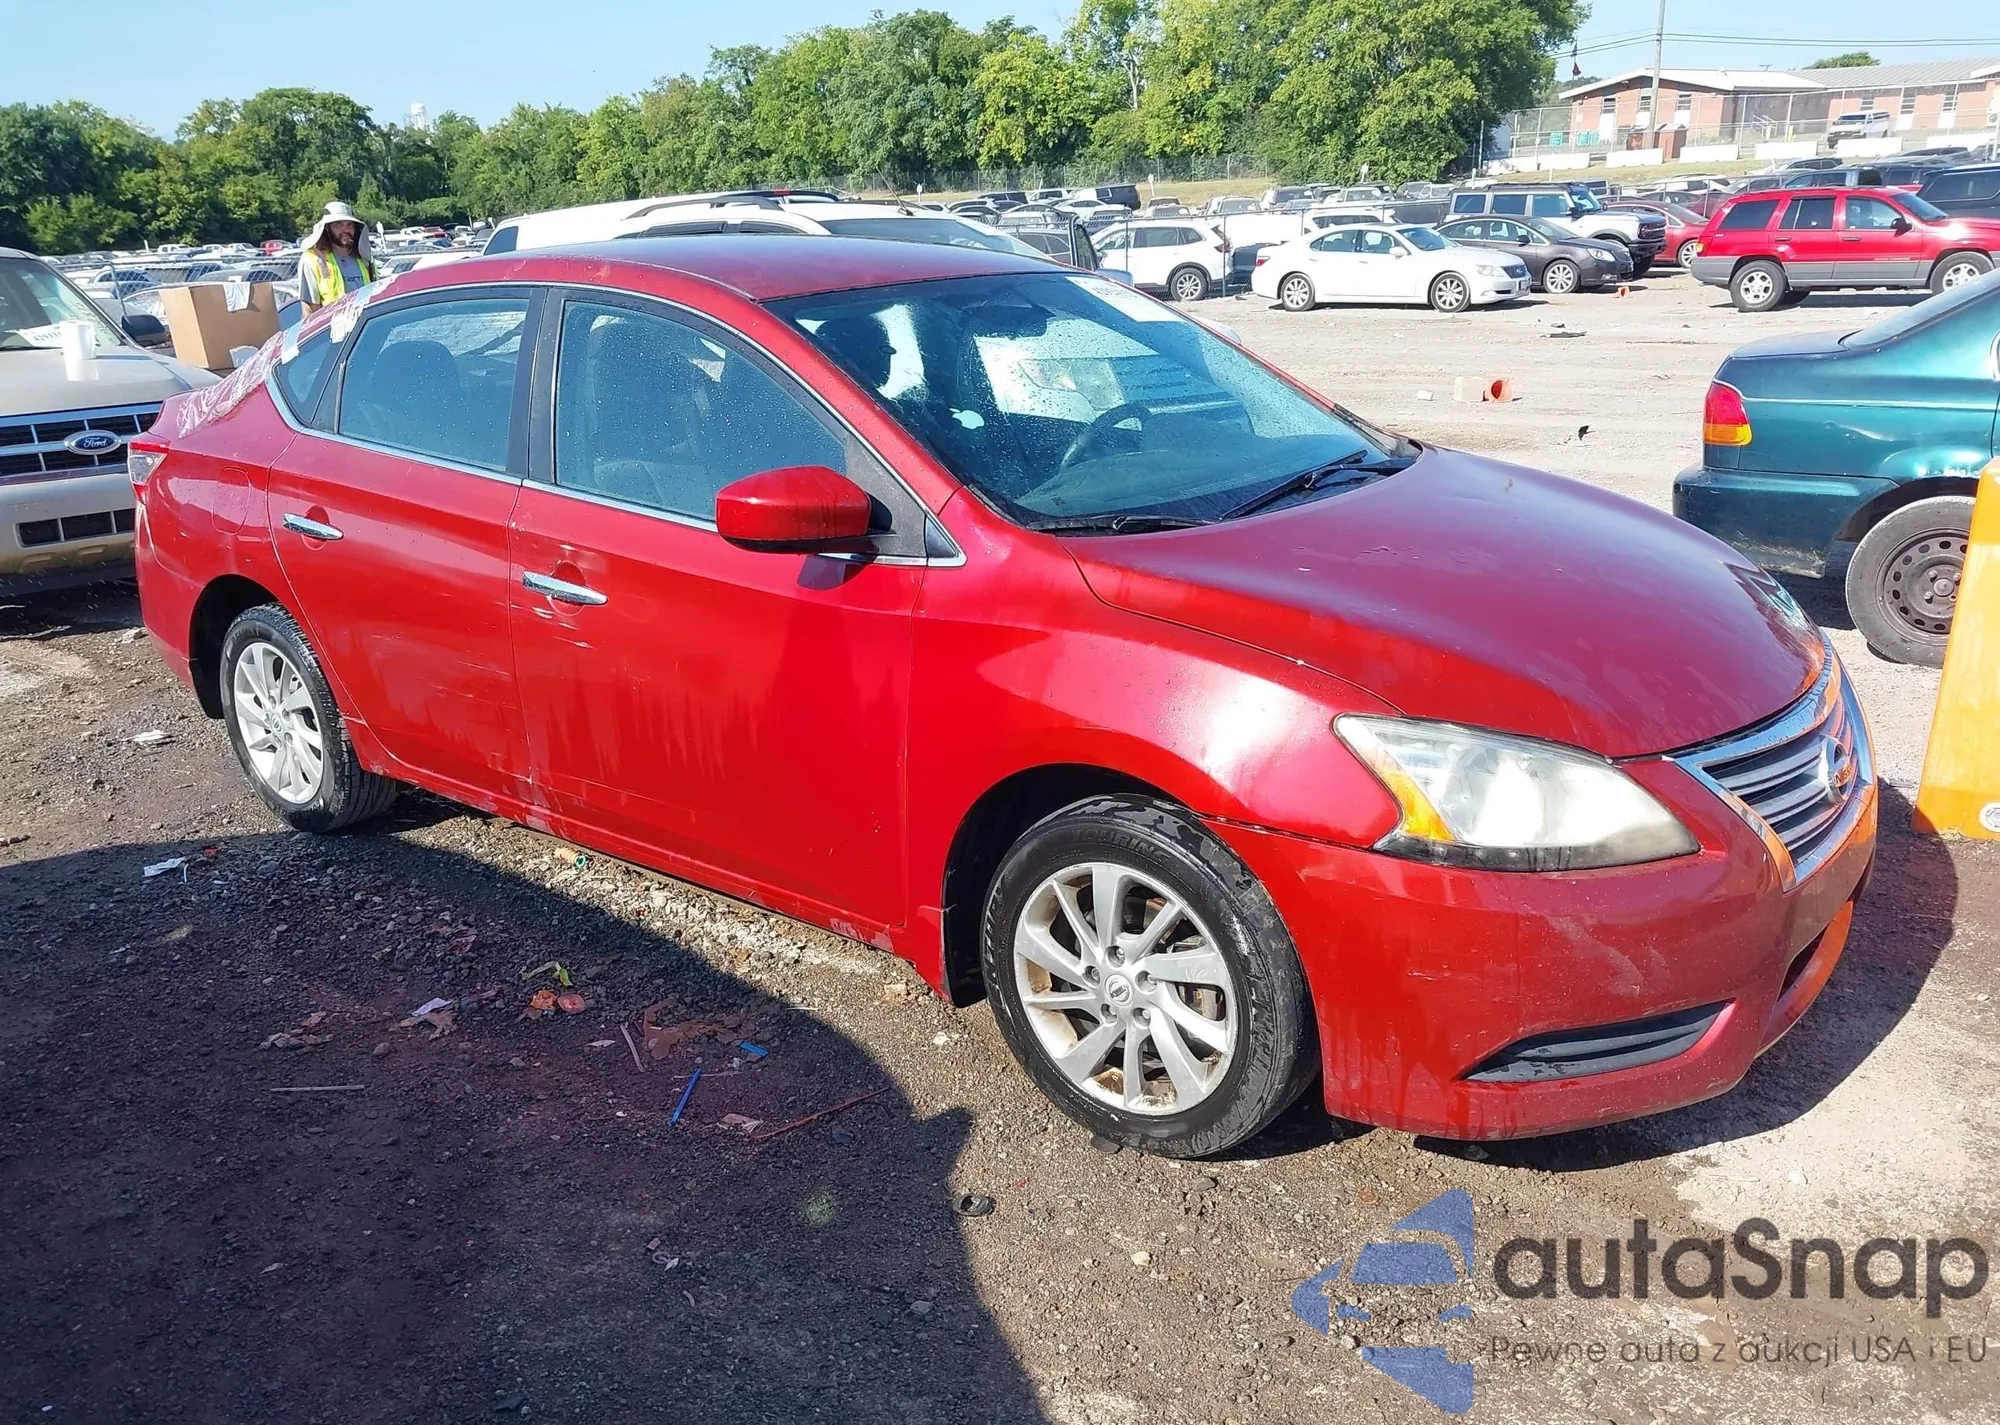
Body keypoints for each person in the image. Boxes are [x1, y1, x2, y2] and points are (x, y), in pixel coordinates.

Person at [296, 201, 378, 313]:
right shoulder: (312, 259)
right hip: (332, 323)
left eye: (349, 224)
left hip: (364, 322)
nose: (346, 230)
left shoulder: (364, 258)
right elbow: (309, 309)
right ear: (327, 228)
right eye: (338, 224)